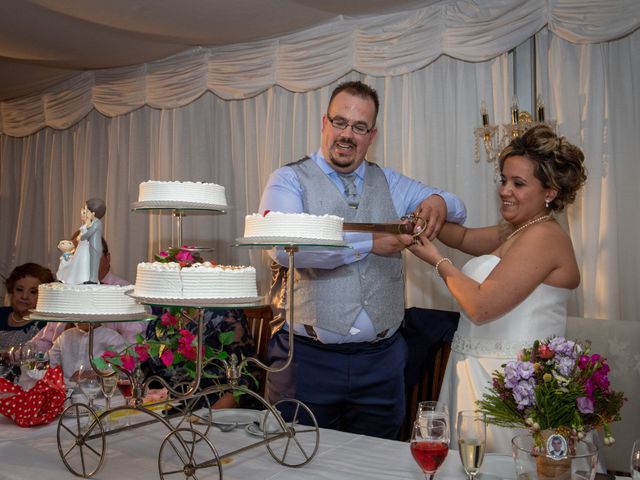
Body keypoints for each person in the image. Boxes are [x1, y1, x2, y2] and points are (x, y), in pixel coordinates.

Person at [260, 80, 467, 439]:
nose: (347, 134)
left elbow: (458, 208)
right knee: (295, 461)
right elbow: (285, 247)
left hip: (382, 363)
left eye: (359, 127)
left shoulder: (388, 181)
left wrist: (438, 201)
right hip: (308, 362)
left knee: (378, 465)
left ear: (372, 135)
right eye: (340, 122)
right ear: (324, 123)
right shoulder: (289, 180)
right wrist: (370, 243)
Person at [407, 124, 587, 453]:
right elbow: (462, 238)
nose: (505, 190)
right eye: (503, 180)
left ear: (550, 192)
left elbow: (481, 306)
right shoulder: (518, 230)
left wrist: (436, 260)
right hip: (474, 372)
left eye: (518, 183)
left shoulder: (545, 237)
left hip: (512, 387)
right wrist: (429, 218)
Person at [32, 237, 147, 350]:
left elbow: (133, 348)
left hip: (105, 367)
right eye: (76, 255)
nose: (84, 260)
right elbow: (44, 341)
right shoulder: (65, 293)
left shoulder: (127, 294)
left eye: (92, 254)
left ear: (108, 258)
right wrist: (23, 353)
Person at [143, 309, 259, 410]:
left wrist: (209, 416)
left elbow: (248, 374)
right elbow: (149, 371)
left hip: (210, 409)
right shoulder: (158, 322)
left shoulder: (224, 315)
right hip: (165, 408)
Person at [0, 263, 55, 349]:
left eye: (33, 292)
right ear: (11, 290)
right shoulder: (1, 314)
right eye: (19, 290)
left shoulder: (47, 324)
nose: (24, 296)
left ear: (45, 295)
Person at [49, 322, 125, 383]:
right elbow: (51, 364)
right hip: (66, 392)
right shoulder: (65, 336)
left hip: (98, 395)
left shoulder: (112, 338)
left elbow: (122, 370)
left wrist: (94, 374)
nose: (79, 318)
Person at [80, 198, 106, 284]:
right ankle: (91, 278)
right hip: (92, 245)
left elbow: (89, 233)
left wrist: (82, 237)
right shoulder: (93, 222)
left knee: (94, 263)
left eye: (87, 211)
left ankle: (93, 279)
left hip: (95, 246)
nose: (86, 213)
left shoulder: (97, 223)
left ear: (93, 213)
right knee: (91, 263)